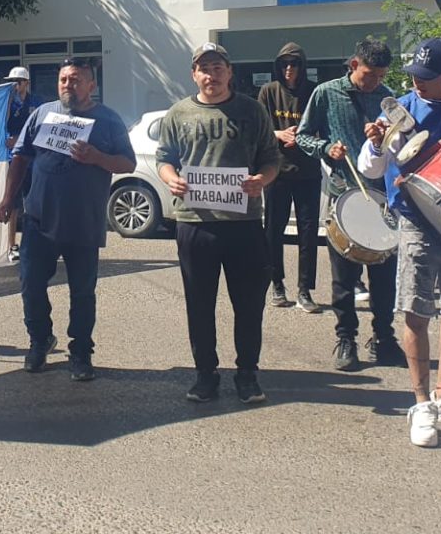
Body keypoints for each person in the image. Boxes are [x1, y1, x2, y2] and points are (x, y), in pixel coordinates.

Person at [355, 38, 441, 448]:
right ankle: (421, 404)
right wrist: (376, 144)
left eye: (428, 77)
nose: (418, 82)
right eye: (415, 74)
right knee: (415, 312)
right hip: (416, 219)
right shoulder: (397, 110)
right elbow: (370, 168)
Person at [0, 59, 135, 380]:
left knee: (82, 292)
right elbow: (21, 158)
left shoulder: (108, 120)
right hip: (39, 219)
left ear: (91, 86)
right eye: (63, 79)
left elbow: (127, 164)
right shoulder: (42, 114)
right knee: (31, 285)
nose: (68, 85)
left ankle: (81, 352)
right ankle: (39, 340)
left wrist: (97, 157)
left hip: (83, 220)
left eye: (75, 80)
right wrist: (7, 199)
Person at [157, 43, 280, 405]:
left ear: (229, 72)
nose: (211, 75)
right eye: (204, 68)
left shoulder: (252, 110)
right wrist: (171, 179)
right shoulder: (178, 113)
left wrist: (262, 180)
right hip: (195, 223)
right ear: (194, 74)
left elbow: (271, 157)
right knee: (199, 304)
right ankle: (205, 375)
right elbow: (164, 159)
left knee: (249, 305)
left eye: (217, 67)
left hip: (244, 222)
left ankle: (247, 374)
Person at [296, 37, 405, 369]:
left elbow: (401, 144)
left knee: (384, 277)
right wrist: (326, 148)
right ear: (354, 64)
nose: (375, 82)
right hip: (343, 195)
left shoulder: (388, 99)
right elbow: (302, 135)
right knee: (344, 279)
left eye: (381, 76)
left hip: (382, 198)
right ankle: (346, 339)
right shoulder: (326, 93)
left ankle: (384, 338)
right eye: (370, 75)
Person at [256, 43, 321, 311]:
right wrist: (279, 134)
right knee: (273, 230)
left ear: (302, 66)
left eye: (294, 64)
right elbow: (259, 128)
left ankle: (305, 289)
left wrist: (303, 138)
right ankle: (276, 284)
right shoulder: (269, 92)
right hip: (276, 172)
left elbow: (322, 126)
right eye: (284, 64)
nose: (289, 69)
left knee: (308, 233)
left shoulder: (313, 91)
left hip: (308, 173)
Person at [2, 66, 43, 260]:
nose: (14, 86)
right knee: (12, 203)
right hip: (13, 160)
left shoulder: (36, 103)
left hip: (33, 160)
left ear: (26, 83)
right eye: (11, 82)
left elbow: (41, 129)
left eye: (17, 82)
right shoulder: (4, 104)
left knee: (33, 203)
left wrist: (19, 139)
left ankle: (33, 244)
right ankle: (11, 245)